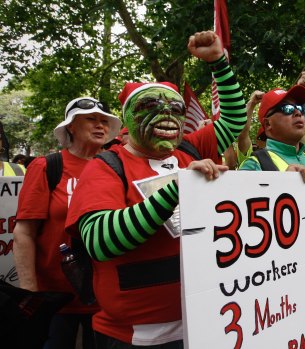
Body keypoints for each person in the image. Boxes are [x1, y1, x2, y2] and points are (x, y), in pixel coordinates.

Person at [64, 30, 245, 348]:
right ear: (128, 118)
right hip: (135, 337)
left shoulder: (189, 149)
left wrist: (218, 61)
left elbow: (233, 118)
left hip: (203, 322)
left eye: (176, 109)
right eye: (150, 106)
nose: (168, 115)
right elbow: (99, 241)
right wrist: (177, 188)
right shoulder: (106, 166)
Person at [13, 96, 122, 349]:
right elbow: (24, 233)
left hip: (106, 296)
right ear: (71, 126)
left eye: (104, 121)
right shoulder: (47, 166)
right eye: (91, 119)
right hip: (55, 297)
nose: (100, 126)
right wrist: (30, 292)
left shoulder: (116, 166)